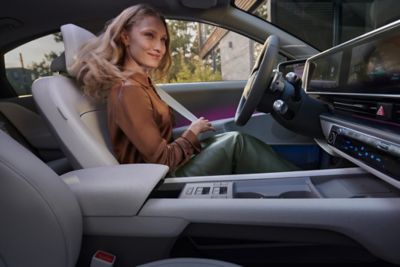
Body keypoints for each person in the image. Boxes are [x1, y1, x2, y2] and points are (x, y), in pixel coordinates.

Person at [72, 4, 298, 177]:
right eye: (149, 35)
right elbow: (162, 161)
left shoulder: (141, 83)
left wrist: (192, 133)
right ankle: (300, 187)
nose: (160, 47)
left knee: (229, 137)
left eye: (164, 39)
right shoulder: (128, 90)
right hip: (156, 183)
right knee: (235, 143)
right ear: (125, 36)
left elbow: (162, 145)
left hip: (161, 172)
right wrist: (192, 133)